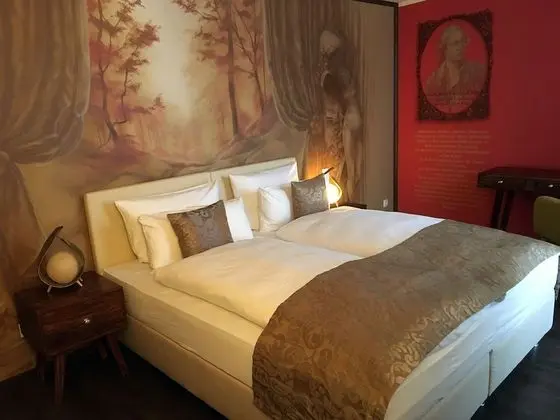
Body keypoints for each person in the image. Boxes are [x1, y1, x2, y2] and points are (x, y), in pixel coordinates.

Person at [316, 30, 362, 200]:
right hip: (336, 126)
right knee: (340, 166)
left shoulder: (338, 74)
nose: (339, 58)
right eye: (336, 54)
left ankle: (350, 204)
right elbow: (340, 99)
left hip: (342, 122)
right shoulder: (329, 77)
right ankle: (345, 203)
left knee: (351, 167)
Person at [424, 24, 486, 110]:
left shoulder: (478, 72)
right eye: (455, 43)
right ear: (445, 48)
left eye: (462, 42)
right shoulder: (433, 81)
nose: (460, 47)